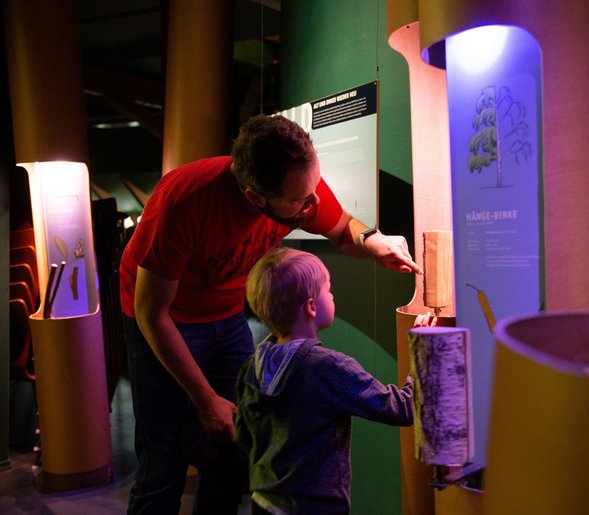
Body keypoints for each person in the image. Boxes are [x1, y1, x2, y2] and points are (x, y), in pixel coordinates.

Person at [119, 114, 423, 514]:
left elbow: (341, 227)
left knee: (231, 457)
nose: (313, 205)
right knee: (163, 467)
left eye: (314, 188)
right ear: (254, 197)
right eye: (300, 201)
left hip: (226, 317)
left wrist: (373, 240)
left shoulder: (298, 182)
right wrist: (206, 399)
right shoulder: (183, 202)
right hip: (165, 323)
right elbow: (151, 312)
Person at [236, 248, 433, 514]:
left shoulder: (251, 368)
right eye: (328, 289)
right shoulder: (328, 367)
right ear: (312, 306)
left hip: (264, 502)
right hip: (314, 508)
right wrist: (422, 350)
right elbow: (403, 408)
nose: (333, 294)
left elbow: (243, 437)